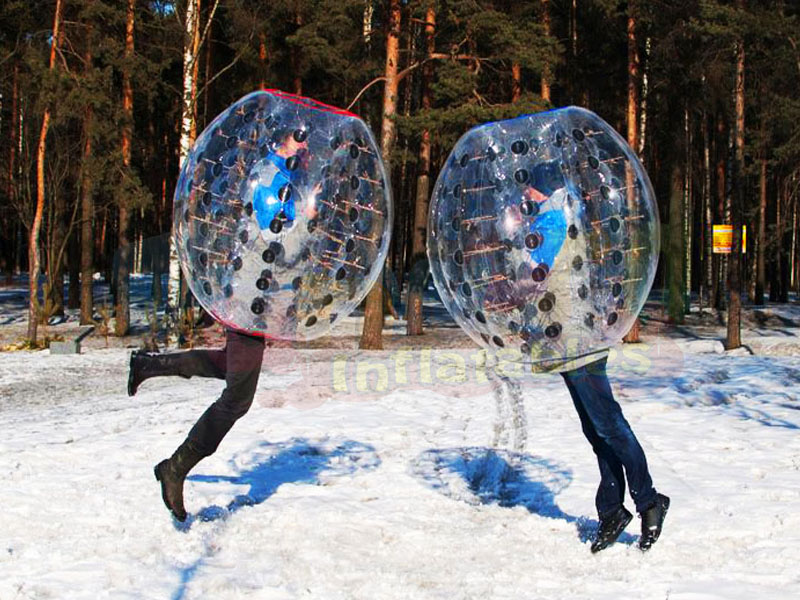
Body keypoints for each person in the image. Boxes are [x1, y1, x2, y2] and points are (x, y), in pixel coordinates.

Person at [128, 328, 265, 522]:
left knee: (228, 365)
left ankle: (149, 365)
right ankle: (175, 468)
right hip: (252, 310)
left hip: (251, 311)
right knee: (236, 400)